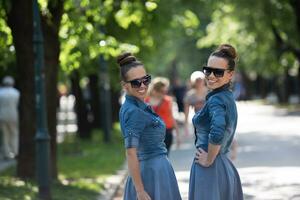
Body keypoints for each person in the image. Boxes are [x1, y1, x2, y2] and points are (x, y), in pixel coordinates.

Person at [118, 52, 181, 200]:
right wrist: (140, 191)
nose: (142, 86)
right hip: (149, 175)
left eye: (145, 80)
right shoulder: (134, 111)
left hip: (156, 172)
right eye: (136, 82)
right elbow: (131, 152)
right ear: (124, 86)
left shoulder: (139, 105)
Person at [189, 44, 244, 200]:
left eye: (218, 72)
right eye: (208, 70)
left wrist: (208, 159)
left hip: (210, 168)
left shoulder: (217, 100)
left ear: (230, 75)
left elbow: (218, 130)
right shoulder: (227, 96)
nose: (211, 76)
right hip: (222, 165)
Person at [145, 77, 180, 155]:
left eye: (165, 91)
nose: (163, 93)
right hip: (152, 133)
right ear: (154, 90)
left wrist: (177, 134)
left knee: (164, 157)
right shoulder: (145, 102)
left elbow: (172, 117)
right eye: (161, 91)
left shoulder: (168, 101)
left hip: (166, 132)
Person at [0, 76, 20, 159]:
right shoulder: (16, 92)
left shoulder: (0, 92)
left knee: (5, 135)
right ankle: (15, 151)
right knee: (14, 133)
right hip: (13, 115)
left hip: (2, 115)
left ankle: (6, 153)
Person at [183, 71, 208, 136]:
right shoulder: (190, 95)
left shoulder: (210, 93)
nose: (199, 82)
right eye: (197, 80)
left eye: (200, 80)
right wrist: (186, 127)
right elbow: (186, 112)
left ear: (204, 80)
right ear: (193, 82)